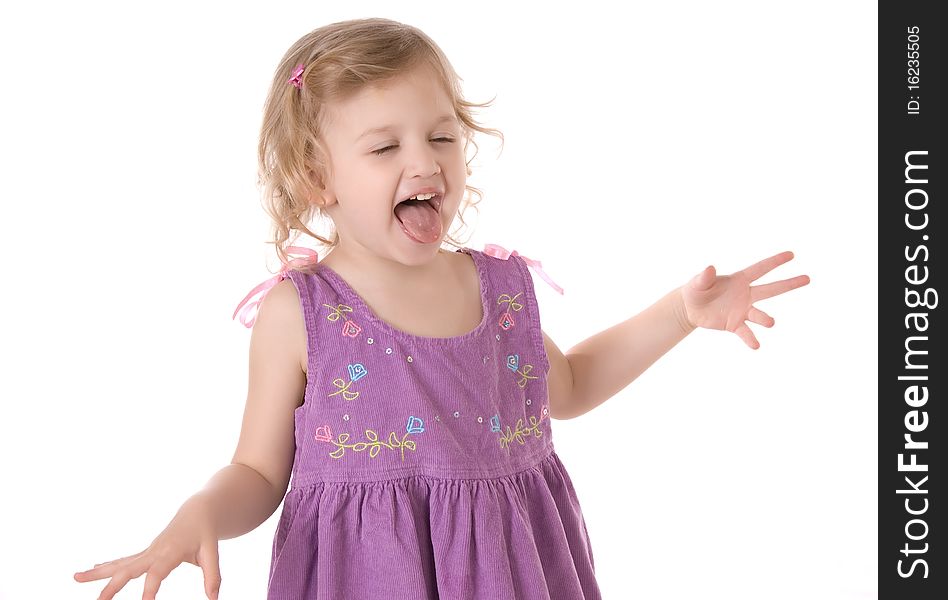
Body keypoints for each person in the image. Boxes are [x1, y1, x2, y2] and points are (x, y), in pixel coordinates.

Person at [73, 17, 810, 600]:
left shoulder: (496, 290)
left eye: (441, 137)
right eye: (384, 147)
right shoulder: (302, 315)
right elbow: (258, 472)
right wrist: (201, 511)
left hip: (514, 572)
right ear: (315, 177)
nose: (423, 163)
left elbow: (573, 386)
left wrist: (680, 315)